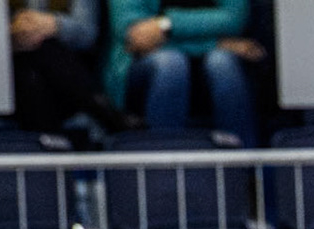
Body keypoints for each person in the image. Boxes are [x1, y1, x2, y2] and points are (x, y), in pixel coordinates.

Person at [105, 0, 260, 145]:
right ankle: (163, 162)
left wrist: (167, 24)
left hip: (216, 65)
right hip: (141, 66)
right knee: (171, 64)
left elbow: (233, 19)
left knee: (222, 63)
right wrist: (216, 43)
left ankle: (244, 165)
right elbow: (135, 35)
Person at [9, 0, 137, 136]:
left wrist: (55, 25)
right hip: (11, 68)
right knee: (31, 62)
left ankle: (50, 138)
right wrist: (12, 34)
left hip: (69, 69)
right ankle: (103, 111)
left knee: (44, 49)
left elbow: (88, 33)